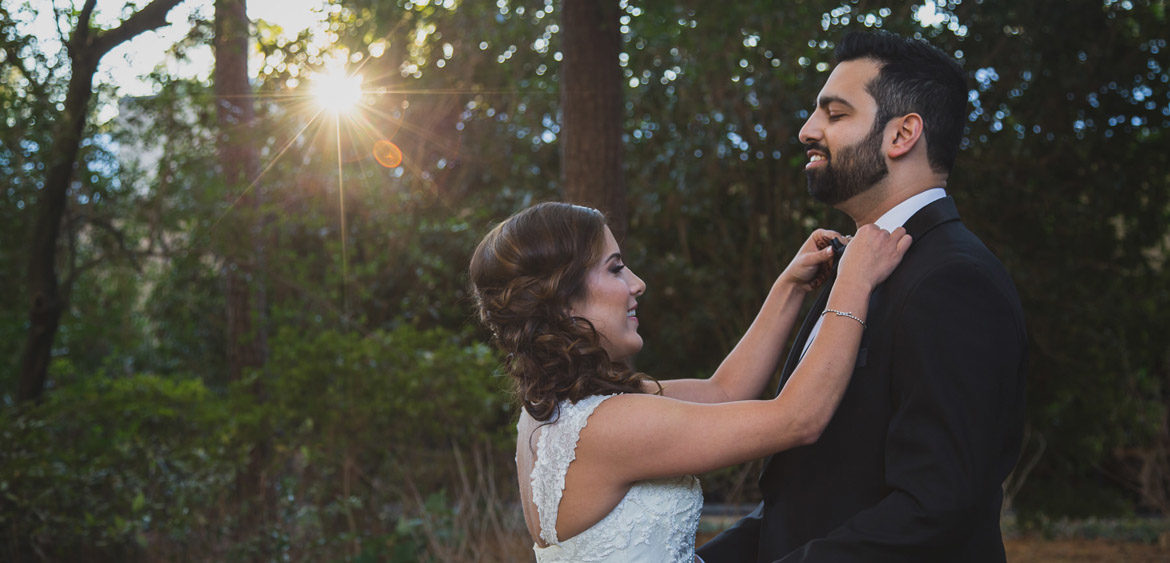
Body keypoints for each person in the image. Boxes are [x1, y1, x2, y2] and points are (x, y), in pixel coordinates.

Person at [697, 30, 1028, 562]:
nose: (808, 130)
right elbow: (805, 498)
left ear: (902, 135)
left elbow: (936, 507)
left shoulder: (954, 280)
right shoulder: (851, 269)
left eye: (834, 113)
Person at [469, 201, 910, 561]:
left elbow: (724, 391)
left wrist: (791, 286)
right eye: (616, 268)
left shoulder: (559, 411)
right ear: (562, 298)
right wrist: (856, 281)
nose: (637, 284)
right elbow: (798, 418)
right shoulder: (609, 427)